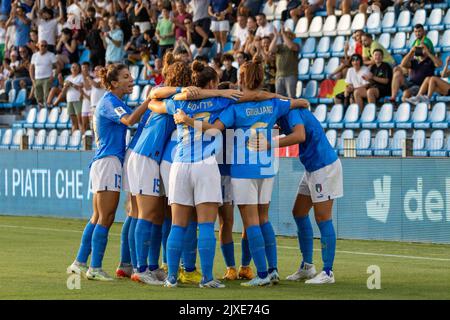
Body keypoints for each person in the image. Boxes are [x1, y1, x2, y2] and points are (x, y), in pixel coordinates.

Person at [173, 56, 310, 287]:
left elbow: (214, 129)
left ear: (242, 79)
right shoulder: (275, 104)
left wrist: (188, 121)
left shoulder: (235, 107)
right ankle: (272, 269)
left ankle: (263, 274)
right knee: (263, 219)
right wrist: (293, 100)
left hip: (243, 167)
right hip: (267, 166)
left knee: (251, 221)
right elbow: (299, 103)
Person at [148, 60, 279, 288]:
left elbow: (153, 101)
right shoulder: (220, 101)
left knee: (178, 224)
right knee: (207, 225)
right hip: (205, 165)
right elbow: (254, 97)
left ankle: (171, 278)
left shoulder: (180, 102)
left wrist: (181, 94)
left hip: (179, 165)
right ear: (211, 83)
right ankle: (207, 278)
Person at [67, 63, 151, 281]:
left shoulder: (112, 101)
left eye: (131, 75)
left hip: (104, 161)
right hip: (108, 162)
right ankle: (94, 267)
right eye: (126, 77)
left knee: (97, 216)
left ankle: (79, 262)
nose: (131, 79)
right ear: (114, 83)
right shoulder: (110, 101)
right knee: (106, 216)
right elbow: (130, 120)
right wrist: (150, 100)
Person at [276, 102, 343, 285]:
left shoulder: (291, 112)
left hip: (324, 167)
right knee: (299, 212)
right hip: (312, 168)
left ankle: (328, 272)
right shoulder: (283, 115)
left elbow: (300, 135)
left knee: (323, 218)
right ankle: (307, 267)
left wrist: (270, 143)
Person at [270, 26, 299, 98]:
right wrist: (276, 37)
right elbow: (271, 49)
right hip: (279, 75)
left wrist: (283, 34)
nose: (286, 35)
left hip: (291, 74)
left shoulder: (296, 45)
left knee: (291, 97)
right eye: (286, 33)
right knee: (279, 98)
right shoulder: (279, 46)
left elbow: (291, 47)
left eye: (288, 34)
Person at [54, 63, 84, 132]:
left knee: (80, 121)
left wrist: (72, 84)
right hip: (69, 100)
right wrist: (61, 82)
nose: (74, 68)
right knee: (73, 122)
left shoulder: (81, 77)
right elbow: (63, 91)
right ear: (70, 69)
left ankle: (82, 138)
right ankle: (74, 139)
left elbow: (82, 87)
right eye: (73, 67)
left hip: (78, 100)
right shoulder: (68, 78)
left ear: (79, 69)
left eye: (76, 67)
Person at [30, 40, 57, 108]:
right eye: (42, 45)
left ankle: (47, 112)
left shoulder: (51, 55)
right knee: (38, 98)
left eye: (45, 46)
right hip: (37, 79)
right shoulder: (34, 55)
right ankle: (41, 112)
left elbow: (57, 66)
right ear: (38, 46)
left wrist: (53, 76)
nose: (44, 47)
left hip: (47, 78)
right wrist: (32, 79)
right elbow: (31, 68)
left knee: (46, 97)